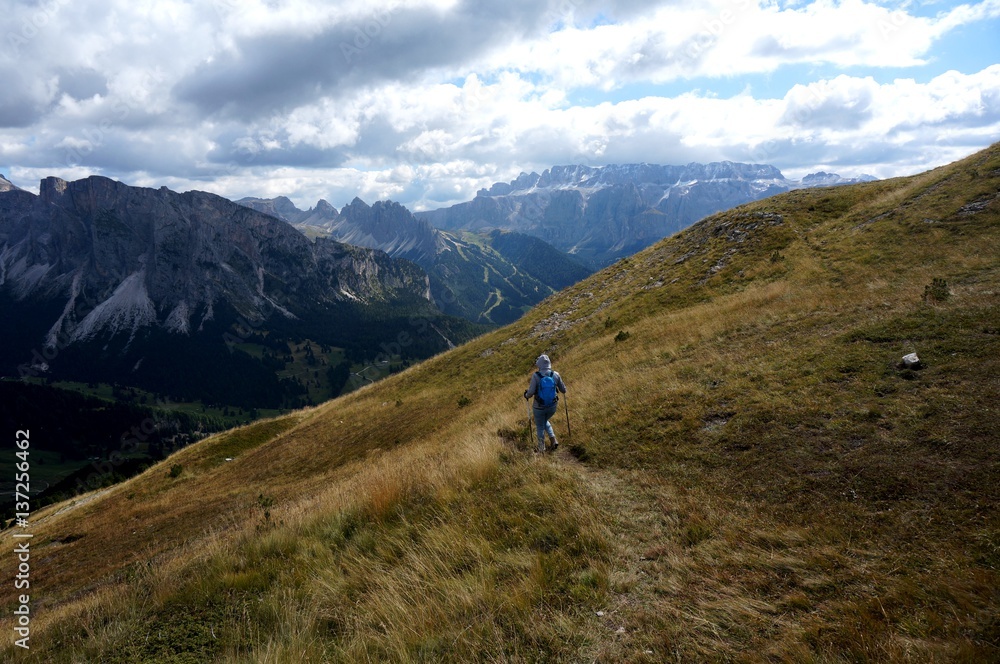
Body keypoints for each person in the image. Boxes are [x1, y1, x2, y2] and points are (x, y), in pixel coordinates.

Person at [523, 354, 567, 453]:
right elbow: (563, 390)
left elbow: (530, 392)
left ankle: (541, 448)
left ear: (540, 364)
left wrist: (526, 395)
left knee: (540, 425)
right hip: (552, 406)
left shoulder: (536, 376)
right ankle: (553, 440)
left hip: (539, 407)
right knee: (544, 421)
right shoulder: (555, 374)